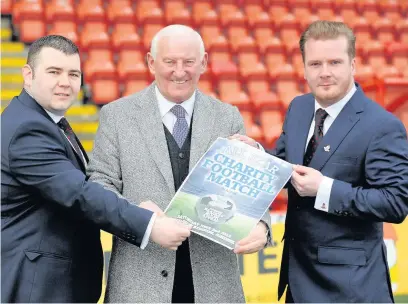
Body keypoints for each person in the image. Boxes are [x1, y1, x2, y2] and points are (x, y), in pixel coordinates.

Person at [87, 24, 272, 303]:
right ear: (151, 62)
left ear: (204, 63)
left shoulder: (227, 116)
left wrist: (262, 225)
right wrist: (143, 221)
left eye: (188, 62)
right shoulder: (117, 116)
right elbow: (99, 187)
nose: (179, 71)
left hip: (215, 286)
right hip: (140, 285)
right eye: (170, 61)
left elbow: (246, 185)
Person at [1, 35, 192, 303]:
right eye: (54, 72)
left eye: (73, 74)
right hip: (36, 289)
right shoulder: (27, 129)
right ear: (28, 75)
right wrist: (149, 225)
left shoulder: (45, 121)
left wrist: (134, 207)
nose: (65, 83)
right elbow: (80, 194)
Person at [232, 20, 408, 302]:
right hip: (297, 279)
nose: (325, 73)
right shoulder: (299, 107)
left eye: (335, 62)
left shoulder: (382, 125)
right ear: (303, 68)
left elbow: (395, 202)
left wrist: (325, 189)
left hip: (351, 289)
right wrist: (256, 152)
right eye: (315, 64)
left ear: (353, 64)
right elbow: (285, 165)